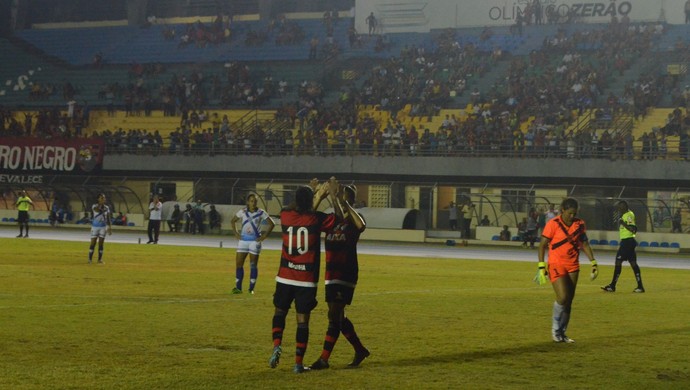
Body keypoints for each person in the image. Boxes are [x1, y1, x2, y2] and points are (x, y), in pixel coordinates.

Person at [268, 179, 340, 374]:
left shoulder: (285, 215)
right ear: (311, 202)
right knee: (302, 322)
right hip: (305, 280)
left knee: (279, 313)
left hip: (284, 276)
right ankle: (298, 364)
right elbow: (338, 218)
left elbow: (298, 209)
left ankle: (276, 345)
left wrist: (311, 192)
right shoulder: (316, 219)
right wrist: (330, 195)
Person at [309, 184, 370, 370]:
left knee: (334, 314)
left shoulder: (353, 220)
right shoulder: (332, 221)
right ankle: (359, 350)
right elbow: (308, 218)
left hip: (346, 273)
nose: (343, 201)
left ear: (351, 200)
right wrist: (321, 195)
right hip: (330, 273)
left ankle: (324, 359)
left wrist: (341, 201)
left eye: (346, 197)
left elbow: (362, 225)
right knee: (336, 316)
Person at [536, 197, 598, 343]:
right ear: (562, 210)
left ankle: (562, 333)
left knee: (569, 301)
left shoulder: (579, 224)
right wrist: (541, 266)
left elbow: (584, 243)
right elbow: (542, 245)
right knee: (563, 297)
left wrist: (593, 262)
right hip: (556, 263)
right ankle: (555, 329)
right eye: (570, 213)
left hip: (573, 265)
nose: (572, 216)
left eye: (574, 214)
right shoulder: (553, 224)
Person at [230, 194, 275, 294]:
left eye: (255, 201)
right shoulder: (243, 211)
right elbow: (233, 221)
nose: (253, 203)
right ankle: (238, 288)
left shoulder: (261, 212)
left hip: (255, 242)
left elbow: (272, 224)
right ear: (247, 202)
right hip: (243, 241)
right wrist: (236, 233)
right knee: (238, 264)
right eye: (251, 201)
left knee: (253, 265)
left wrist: (264, 236)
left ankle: (251, 289)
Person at [602, 201, 646, 293]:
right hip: (628, 242)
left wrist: (623, 223)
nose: (619, 209)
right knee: (633, 264)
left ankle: (612, 286)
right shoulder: (626, 215)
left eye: (620, 207)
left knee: (618, 262)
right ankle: (640, 286)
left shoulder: (628, 215)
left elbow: (633, 229)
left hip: (627, 242)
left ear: (624, 207)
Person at [88, 193, 112, 264]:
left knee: (101, 243)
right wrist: (103, 208)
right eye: (102, 198)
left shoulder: (107, 207)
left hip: (103, 227)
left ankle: (99, 259)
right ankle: (90, 259)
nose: (103, 199)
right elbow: (97, 210)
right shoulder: (94, 206)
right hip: (95, 227)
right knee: (93, 243)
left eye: (104, 198)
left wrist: (109, 227)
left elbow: (108, 218)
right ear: (98, 199)